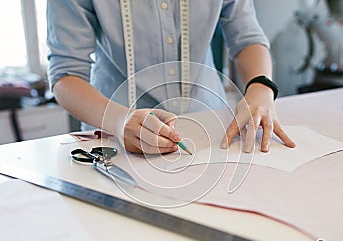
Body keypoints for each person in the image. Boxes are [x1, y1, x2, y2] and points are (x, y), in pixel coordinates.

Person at [47, 0, 296, 154]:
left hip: (211, 129)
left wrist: (261, 86)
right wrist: (120, 121)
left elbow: (247, 37)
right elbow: (65, 74)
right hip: (116, 136)